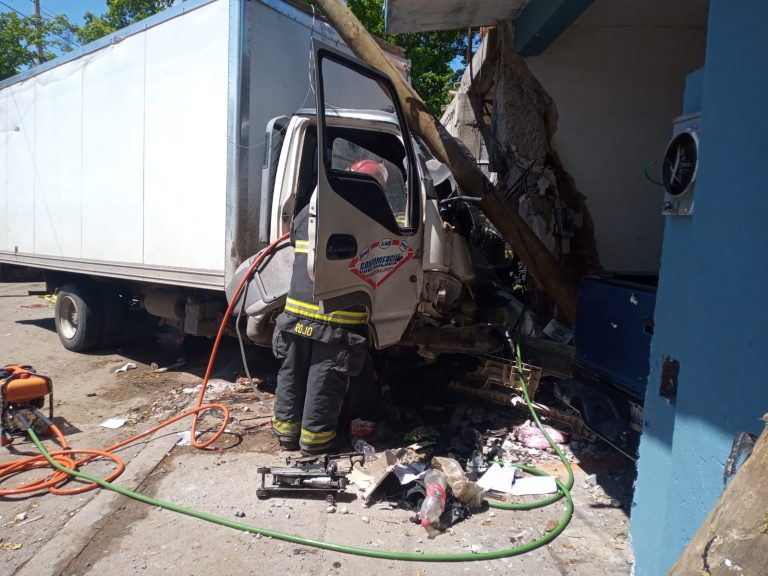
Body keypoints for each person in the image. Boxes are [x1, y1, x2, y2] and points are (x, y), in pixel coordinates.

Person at [271, 192, 370, 454]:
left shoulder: (307, 212)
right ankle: (315, 443)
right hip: (335, 316)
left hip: (295, 311)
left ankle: (286, 436)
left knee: (291, 373)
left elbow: (294, 241)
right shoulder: (363, 214)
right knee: (323, 380)